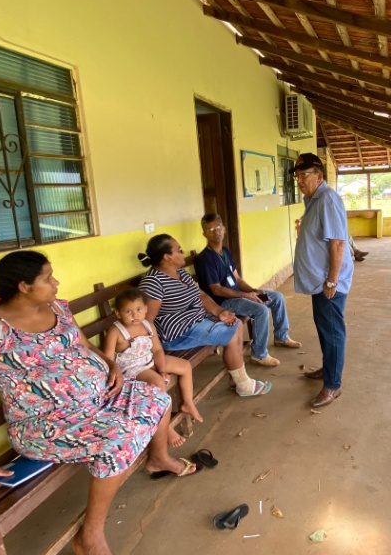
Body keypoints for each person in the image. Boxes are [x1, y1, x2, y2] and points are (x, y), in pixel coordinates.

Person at [0, 251, 197, 555]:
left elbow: (82, 346)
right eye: (48, 278)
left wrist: (109, 365)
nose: (56, 283)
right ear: (23, 286)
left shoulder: (57, 308)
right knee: (117, 442)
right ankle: (90, 536)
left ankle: (158, 459)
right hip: (46, 425)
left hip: (99, 401)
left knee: (156, 397)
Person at [138, 234, 271, 397]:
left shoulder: (179, 272)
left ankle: (238, 380)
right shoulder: (153, 282)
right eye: (179, 250)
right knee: (234, 329)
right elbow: (146, 321)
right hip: (177, 334)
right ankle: (242, 383)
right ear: (167, 257)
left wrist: (219, 312)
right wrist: (155, 354)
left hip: (197, 322)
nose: (183, 251)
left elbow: (201, 295)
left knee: (233, 323)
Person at [195, 212, 301, 368]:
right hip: (223, 303)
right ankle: (259, 354)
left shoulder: (225, 252)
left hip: (239, 295)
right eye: (210, 229)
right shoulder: (205, 259)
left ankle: (281, 336)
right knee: (260, 310)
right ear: (204, 234)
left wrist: (254, 291)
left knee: (276, 297)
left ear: (223, 229)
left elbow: (237, 279)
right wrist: (246, 295)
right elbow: (216, 290)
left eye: (218, 227)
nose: (216, 231)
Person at [291, 152, 354, 408]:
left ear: (319, 175)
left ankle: (333, 386)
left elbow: (338, 243)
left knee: (332, 331)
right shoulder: (313, 199)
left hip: (328, 283)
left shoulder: (327, 199)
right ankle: (328, 370)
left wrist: (331, 281)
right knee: (324, 328)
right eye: (297, 176)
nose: (299, 181)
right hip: (320, 281)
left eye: (304, 175)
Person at [103, 287, 203, 448]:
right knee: (158, 383)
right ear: (118, 313)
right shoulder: (116, 331)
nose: (134, 315)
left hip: (149, 360)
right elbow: (108, 359)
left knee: (184, 366)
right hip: (132, 367)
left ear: (146, 309)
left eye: (138, 309)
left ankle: (187, 402)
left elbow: (157, 350)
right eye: (128, 311)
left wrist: (162, 369)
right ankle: (166, 427)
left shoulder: (148, 325)